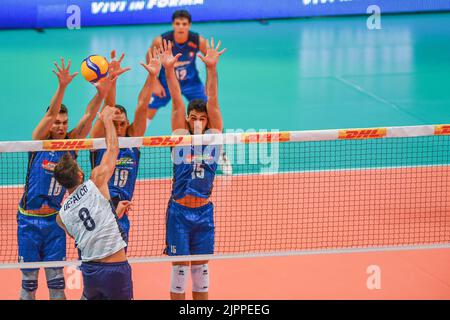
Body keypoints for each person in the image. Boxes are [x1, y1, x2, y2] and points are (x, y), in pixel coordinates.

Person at [17, 58, 114, 300]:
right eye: (56, 123)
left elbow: (90, 115)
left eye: (64, 123)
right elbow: (50, 114)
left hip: (54, 224)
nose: (60, 127)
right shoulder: (38, 142)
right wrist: (62, 86)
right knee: (28, 285)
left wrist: (102, 92)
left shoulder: (71, 145)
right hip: (28, 223)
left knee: (57, 285)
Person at [159, 38, 225, 300]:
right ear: (187, 119)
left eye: (202, 118)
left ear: (208, 120)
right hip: (179, 212)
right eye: (193, 117)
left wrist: (211, 68)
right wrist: (167, 70)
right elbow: (177, 100)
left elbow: (214, 99)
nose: (198, 121)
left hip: (204, 212)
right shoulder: (178, 136)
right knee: (179, 270)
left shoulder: (214, 137)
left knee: (201, 270)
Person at [55, 106, 133, 300]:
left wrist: (113, 212)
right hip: (115, 270)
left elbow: (85, 228)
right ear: (80, 174)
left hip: (90, 271)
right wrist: (107, 119)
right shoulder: (96, 181)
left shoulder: (61, 216)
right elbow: (114, 149)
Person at [146, 9, 232, 175]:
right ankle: (134, 145)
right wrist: (154, 82)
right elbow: (150, 58)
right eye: (177, 23)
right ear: (173, 25)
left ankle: (221, 154)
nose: (180, 27)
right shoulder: (161, 40)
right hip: (167, 81)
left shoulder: (197, 40)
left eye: (184, 24)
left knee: (212, 112)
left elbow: (210, 61)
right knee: (148, 111)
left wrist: (208, 82)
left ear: (189, 25)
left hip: (191, 82)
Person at [90, 48, 161, 246]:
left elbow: (142, 105)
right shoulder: (99, 140)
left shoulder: (133, 141)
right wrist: (112, 80)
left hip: (122, 212)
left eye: (122, 123)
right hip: (98, 211)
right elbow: (108, 109)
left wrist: (152, 77)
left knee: (119, 263)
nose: (119, 128)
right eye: (114, 123)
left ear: (128, 123)